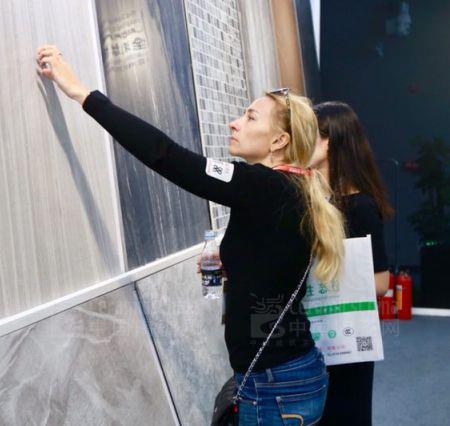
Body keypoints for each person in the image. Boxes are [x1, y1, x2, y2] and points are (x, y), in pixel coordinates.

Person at [36, 45, 345, 425]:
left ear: (279, 141)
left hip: (275, 385)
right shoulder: (292, 189)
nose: (234, 123)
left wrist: (82, 93)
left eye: (250, 117)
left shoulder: (263, 185)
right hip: (291, 372)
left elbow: (165, 154)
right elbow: (274, 264)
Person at [309, 101, 393, 426]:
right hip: (310, 335)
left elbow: (381, 283)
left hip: (346, 336)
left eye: (309, 134)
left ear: (330, 142)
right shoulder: (310, 203)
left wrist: (324, 279)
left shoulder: (360, 207)